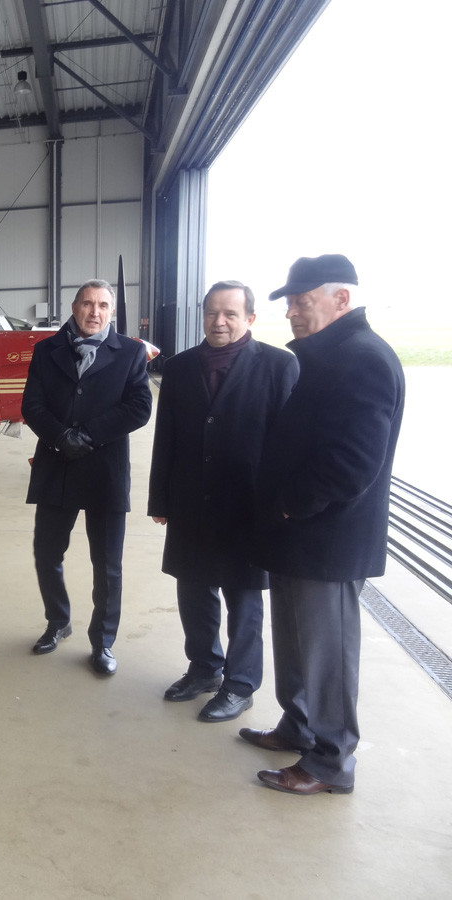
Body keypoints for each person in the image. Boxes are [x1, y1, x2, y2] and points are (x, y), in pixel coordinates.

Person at [241, 254, 404, 795]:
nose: (291, 312)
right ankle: (299, 726)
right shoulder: (329, 356)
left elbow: (353, 462)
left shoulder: (362, 359)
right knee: (295, 643)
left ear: (342, 299)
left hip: (326, 540)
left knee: (327, 655)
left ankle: (331, 761)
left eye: (302, 301)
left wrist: (292, 504)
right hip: (299, 535)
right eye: (289, 303)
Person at [148, 281, 299, 721]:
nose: (219, 322)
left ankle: (240, 684)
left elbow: (289, 443)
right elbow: (166, 437)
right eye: (212, 313)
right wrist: (161, 498)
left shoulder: (278, 365)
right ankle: (204, 668)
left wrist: (281, 504)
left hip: (248, 505)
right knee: (193, 588)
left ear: (250, 318)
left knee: (244, 596)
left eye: (230, 314)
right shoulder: (179, 368)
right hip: (190, 499)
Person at [22, 279, 152, 675]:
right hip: (56, 465)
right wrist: (61, 436)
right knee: (47, 552)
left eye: (103, 305)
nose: (94, 312)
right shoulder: (46, 351)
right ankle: (58, 621)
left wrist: (91, 435)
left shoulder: (130, 352)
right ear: (74, 307)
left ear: (111, 311)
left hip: (104, 470)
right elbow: (32, 405)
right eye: (87, 303)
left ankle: (103, 642)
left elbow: (140, 407)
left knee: (107, 565)